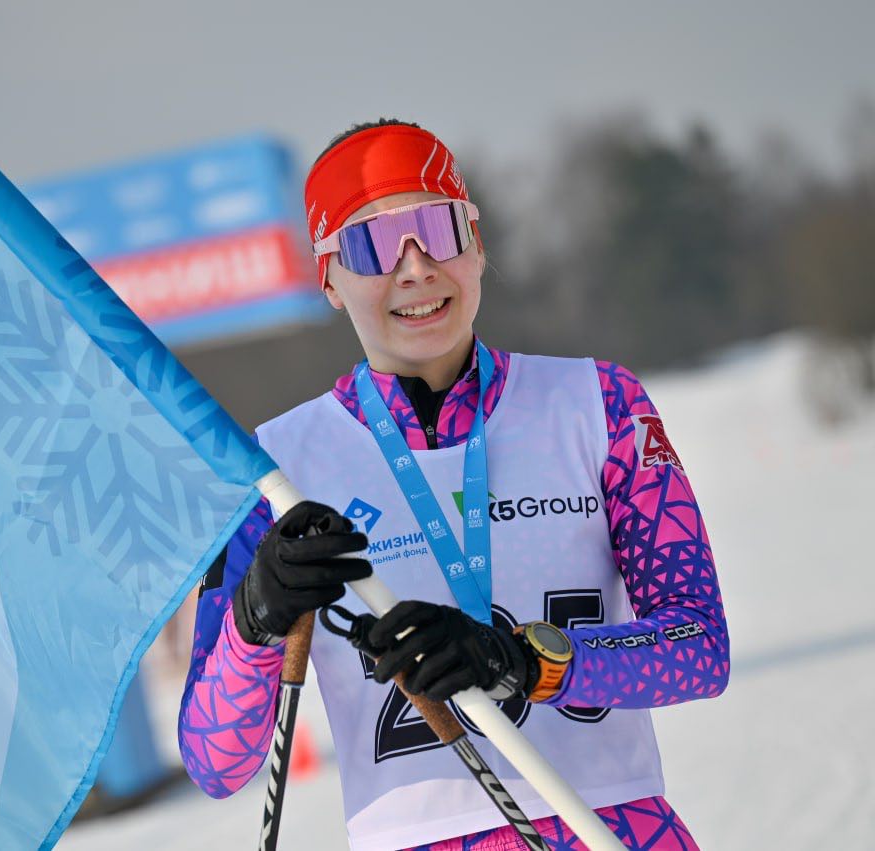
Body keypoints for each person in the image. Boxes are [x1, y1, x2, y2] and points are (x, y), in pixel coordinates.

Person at [177, 119, 730, 851]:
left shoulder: (597, 403)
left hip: (613, 827)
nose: (415, 267)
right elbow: (215, 762)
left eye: (439, 228)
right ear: (330, 278)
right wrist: (255, 617)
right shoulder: (277, 469)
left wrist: (522, 661)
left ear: (476, 244)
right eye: (373, 244)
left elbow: (699, 645)